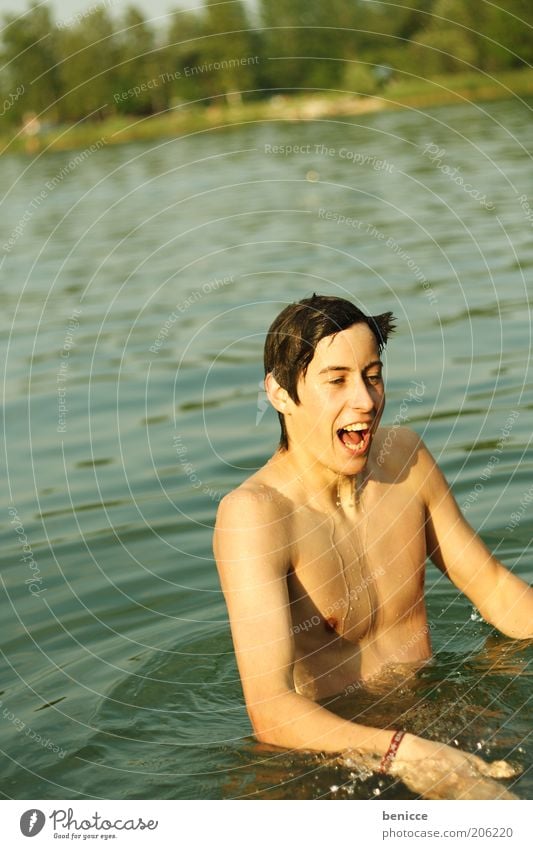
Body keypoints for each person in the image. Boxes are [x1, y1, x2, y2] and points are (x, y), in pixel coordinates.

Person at [213, 293, 533, 799]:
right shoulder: (255, 516)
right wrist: (407, 754)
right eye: (337, 380)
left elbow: (495, 591)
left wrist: (426, 748)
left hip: (441, 716)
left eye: (373, 374)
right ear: (279, 393)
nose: (365, 400)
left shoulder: (403, 458)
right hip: (336, 765)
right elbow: (270, 710)